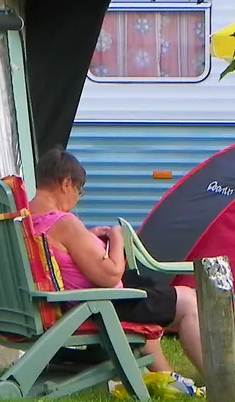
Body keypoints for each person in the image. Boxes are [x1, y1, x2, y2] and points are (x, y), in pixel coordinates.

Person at [29, 148, 203, 379]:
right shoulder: (64, 223)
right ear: (66, 183)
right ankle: (222, 385)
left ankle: (168, 377)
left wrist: (86, 239)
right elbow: (110, 276)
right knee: (189, 302)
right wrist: (116, 238)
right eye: (78, 191)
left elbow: (58, 256)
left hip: (67, 302)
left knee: (147, 287)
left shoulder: (25, 219)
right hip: (93, 306)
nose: (76, 200)